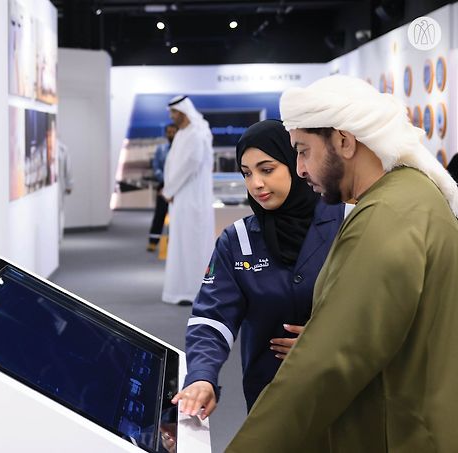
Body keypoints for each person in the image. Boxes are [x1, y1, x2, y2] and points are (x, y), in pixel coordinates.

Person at [227, 75, 458, 453]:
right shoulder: (409, 196)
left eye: (303, 150)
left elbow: (323, 368)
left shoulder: (384, 217)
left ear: (344, 142)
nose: (300, 169)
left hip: (402, 433)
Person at [171, 120, 346, 420]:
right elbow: (211, 318)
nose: (256, 184)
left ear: (296, 164)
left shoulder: (346, 224)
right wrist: (201, 375)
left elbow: (383, 308)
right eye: (247, 173)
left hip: (345, 394)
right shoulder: (237, 241)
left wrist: (332, 339)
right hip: (271, 399)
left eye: (267, 170)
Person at [161, 96, 215, 305]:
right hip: (181, 197)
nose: (172, 116)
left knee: (193, 244)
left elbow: (190, 164)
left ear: (181, 112)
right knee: (182, 243)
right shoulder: (184, 133)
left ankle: (192, 290)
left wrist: (170, 189)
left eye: (173, 112)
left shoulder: (197, 133)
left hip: (192, 198)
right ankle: (181, 289)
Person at [147, 123, 178, 251]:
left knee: (176, 216)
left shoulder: (181, 149)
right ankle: (153, 241)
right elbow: (156, 167)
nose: (171, 134)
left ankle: (173, 243)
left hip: (178, 187)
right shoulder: (161, 149)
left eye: (173, 132)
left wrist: (174, 183)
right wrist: (165, 181)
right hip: (163, 185)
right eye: (169, 132)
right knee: (160, 214)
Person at [57, 139, 74, 240]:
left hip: (59, 185)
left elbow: (68, 169)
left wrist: (69, 185)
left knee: (60, 210)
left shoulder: (62, 149)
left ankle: (59, 236)